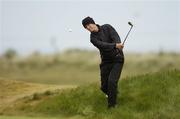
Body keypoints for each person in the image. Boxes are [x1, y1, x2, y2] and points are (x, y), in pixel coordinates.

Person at [82, 16, 124, 108]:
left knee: (112, 82)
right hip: (106, 61)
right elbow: (102, 45)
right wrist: (115, 45)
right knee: (104, 87)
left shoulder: (107, 27)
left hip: (117, 59)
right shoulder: (92, 38)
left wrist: (118, 45)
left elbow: (116, 37)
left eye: (89, 25)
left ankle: (112, 106)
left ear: (93, 22)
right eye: (86, 27)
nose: (88, 28)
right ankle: (114, 93)